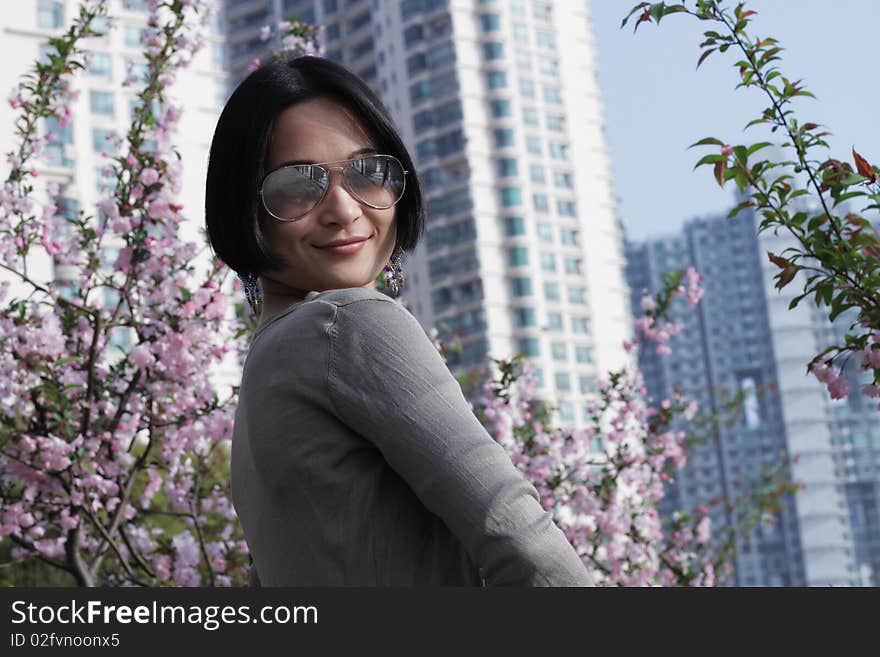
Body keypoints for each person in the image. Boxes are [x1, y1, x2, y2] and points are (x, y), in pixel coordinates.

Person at [205, 55, 593, 587]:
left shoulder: (264, 376)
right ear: (243, 208)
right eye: (297, 185)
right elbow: (526, 545)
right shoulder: (348, 325)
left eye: (368, 172)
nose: (344, 209)